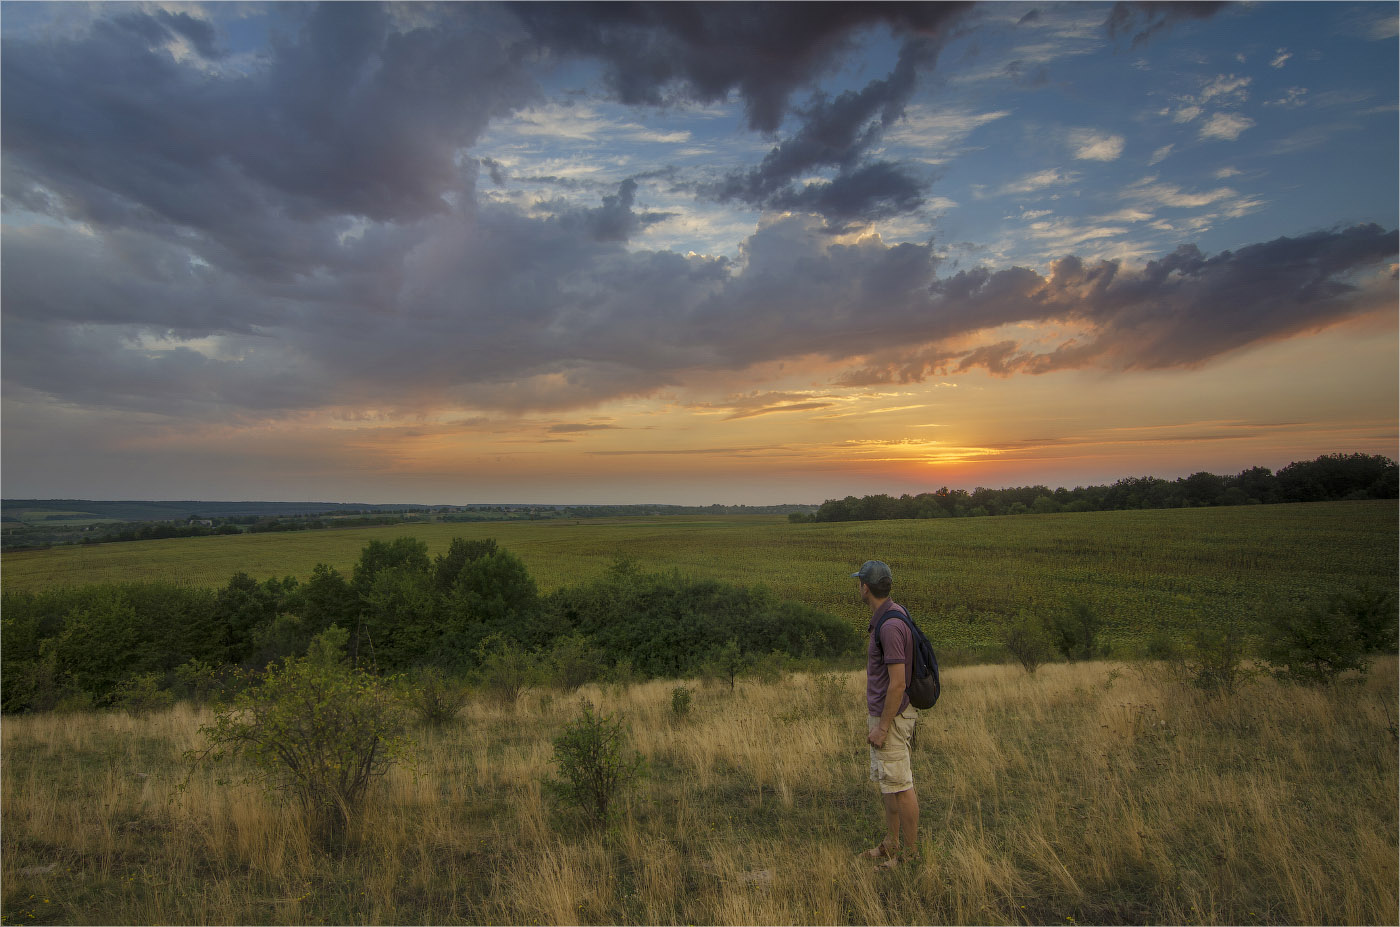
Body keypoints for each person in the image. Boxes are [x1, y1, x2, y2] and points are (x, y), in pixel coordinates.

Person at [853, 559, 919, 869]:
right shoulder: (893, 614)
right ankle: (891, 844)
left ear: (865, 587)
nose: (859, 587)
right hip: (885, 716)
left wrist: (882, 727)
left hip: (890, 718)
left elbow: (898, 684)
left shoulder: (890, 626)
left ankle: (909, 856)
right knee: (888, 783)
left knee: (901, 785)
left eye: (860, 583)